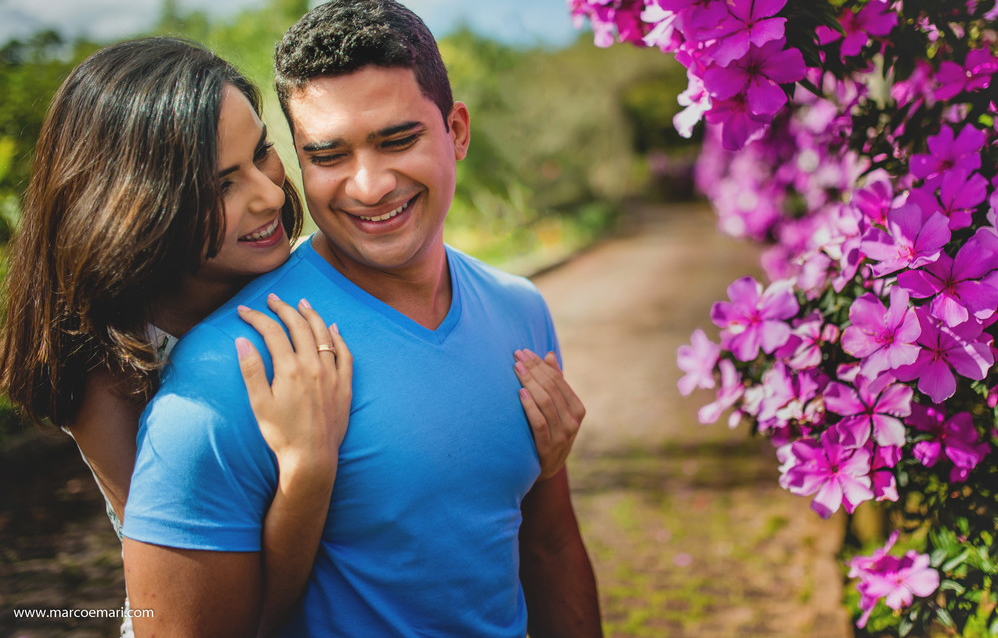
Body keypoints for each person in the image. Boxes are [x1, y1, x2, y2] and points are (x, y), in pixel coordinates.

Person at [0, 37, 581, 636]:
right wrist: (307, 470)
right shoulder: (111, 373)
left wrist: (528, 459)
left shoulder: (276, 276)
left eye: (263, 154)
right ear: (143, 205)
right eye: (223, 184)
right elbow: (231, 610)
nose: (272, 195)